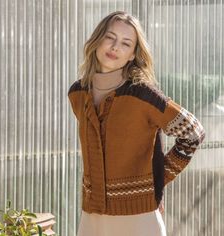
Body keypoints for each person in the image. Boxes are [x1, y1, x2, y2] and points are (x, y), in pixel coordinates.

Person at [68, 11, 205, 236]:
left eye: (125, 43)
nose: (115, 47)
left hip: (138, 219)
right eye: (110, 37)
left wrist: (158, 181)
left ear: (132, 54)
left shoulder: (143, 94)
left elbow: (194, 133)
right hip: (92, 217)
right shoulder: (78, 94)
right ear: (98, 39)